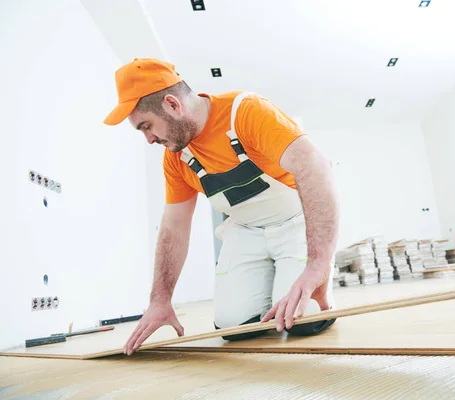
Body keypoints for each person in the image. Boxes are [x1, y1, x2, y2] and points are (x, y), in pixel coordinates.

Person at [103, 58, 340, 356]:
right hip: (246, 231)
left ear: (172, 104)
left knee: (301, 320)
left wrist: (317, 263)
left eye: (147, 126)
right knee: (234, 327)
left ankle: (322, 279)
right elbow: (174, 228)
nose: (149, 139)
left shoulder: (246, 111)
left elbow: (316, 167)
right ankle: (275, 285)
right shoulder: (176, 158)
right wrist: (160, 300)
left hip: (294, 223)